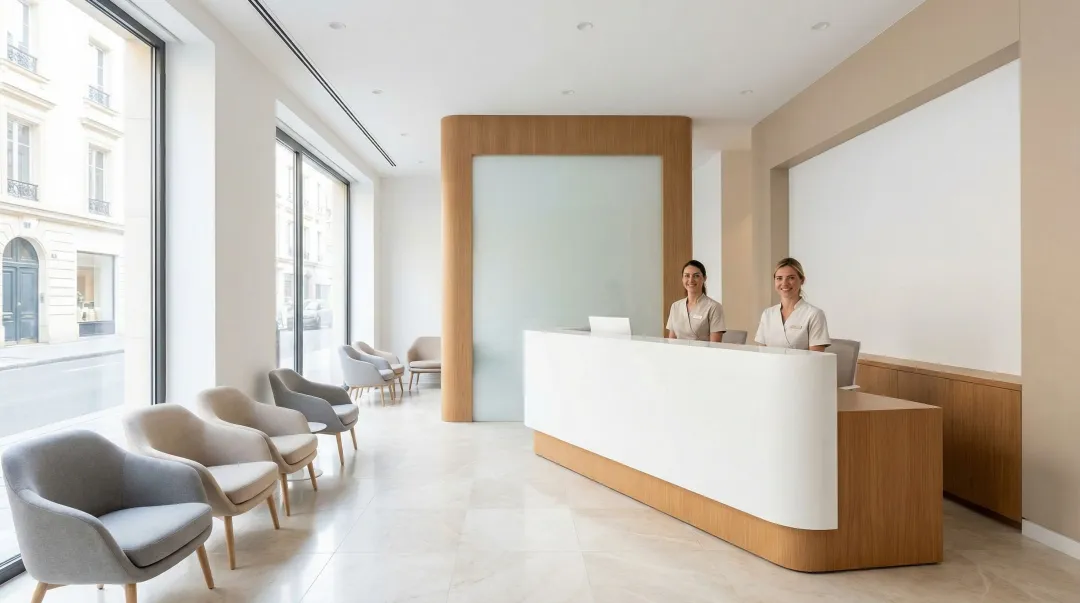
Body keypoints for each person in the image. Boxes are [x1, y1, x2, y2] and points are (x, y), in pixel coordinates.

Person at [754, 257, 831, 351]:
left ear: (802, 280)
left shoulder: (814, 314)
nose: (784, 283)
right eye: (779, 278)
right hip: (770, 366)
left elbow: (816, 359)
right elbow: (761, 354)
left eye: (791, 278)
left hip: (802, 366)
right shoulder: (767, 314)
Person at [666, 260, 726, 342]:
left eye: (696, 276)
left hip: (703, 354)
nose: (691, 280)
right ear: (682, 279)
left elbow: (715, 346)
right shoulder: (675, 306)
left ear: (704, 278)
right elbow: (671, 341)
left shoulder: (714, 307)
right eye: (687, 276)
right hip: (678, 354)